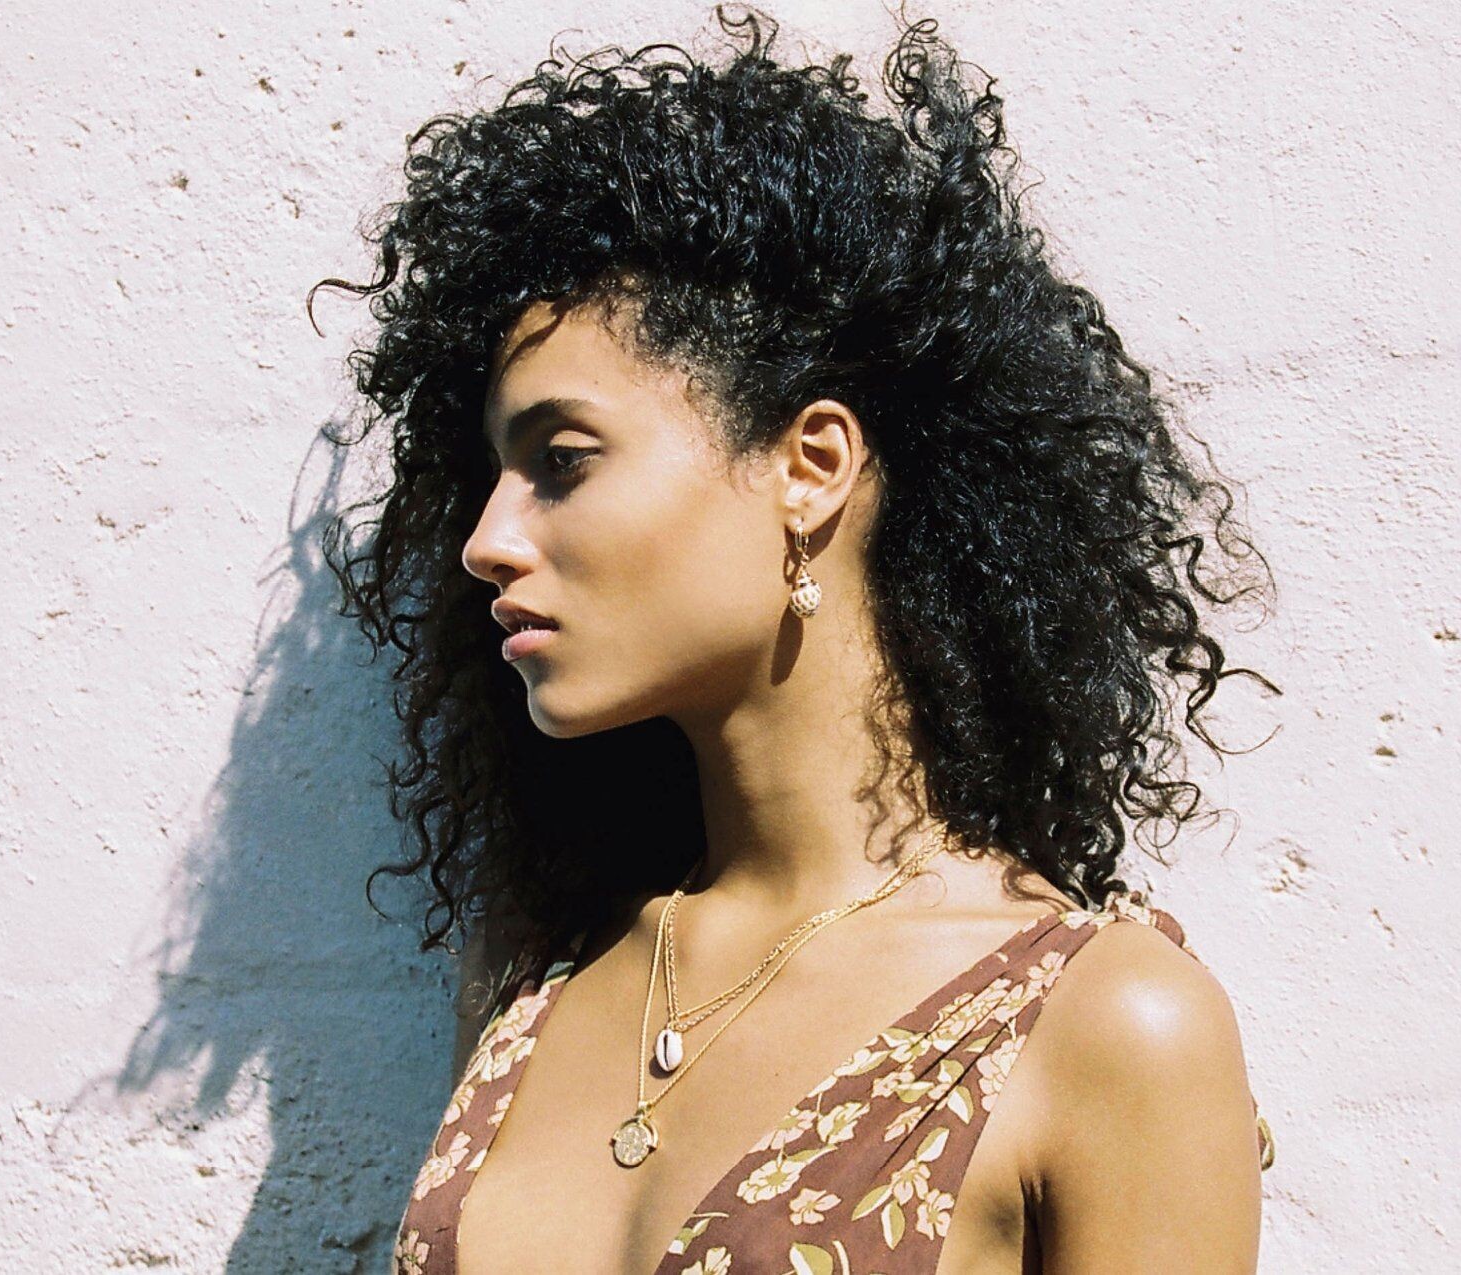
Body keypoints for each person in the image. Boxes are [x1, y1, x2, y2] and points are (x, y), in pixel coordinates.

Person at [310, 8, 1278, 1272]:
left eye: (562, 461)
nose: (487, 541)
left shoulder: (1103, 1025)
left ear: (810, 466)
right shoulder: (535, 969)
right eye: (493, 477)